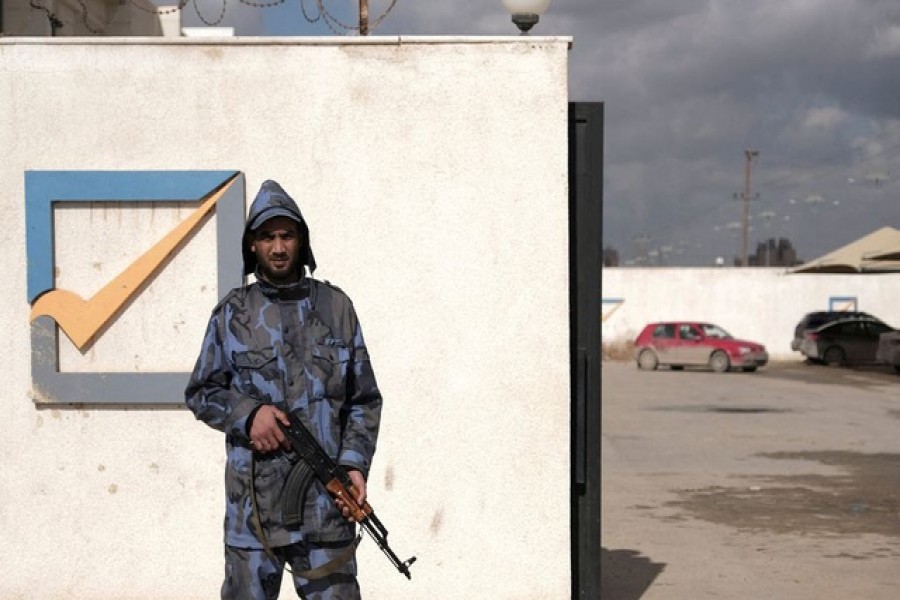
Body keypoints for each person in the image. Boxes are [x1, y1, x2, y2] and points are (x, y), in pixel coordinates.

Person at [185, 180, 383, 600]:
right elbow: (202, 391)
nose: (278, 247)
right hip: (253, 514)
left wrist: (353, 464)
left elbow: (363, 400)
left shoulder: (336, 309)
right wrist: (246, 414)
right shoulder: (232, 314)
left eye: (286, 235)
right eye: (266, 236)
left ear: (301, 241)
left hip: (327, 509)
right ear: (252, 246)